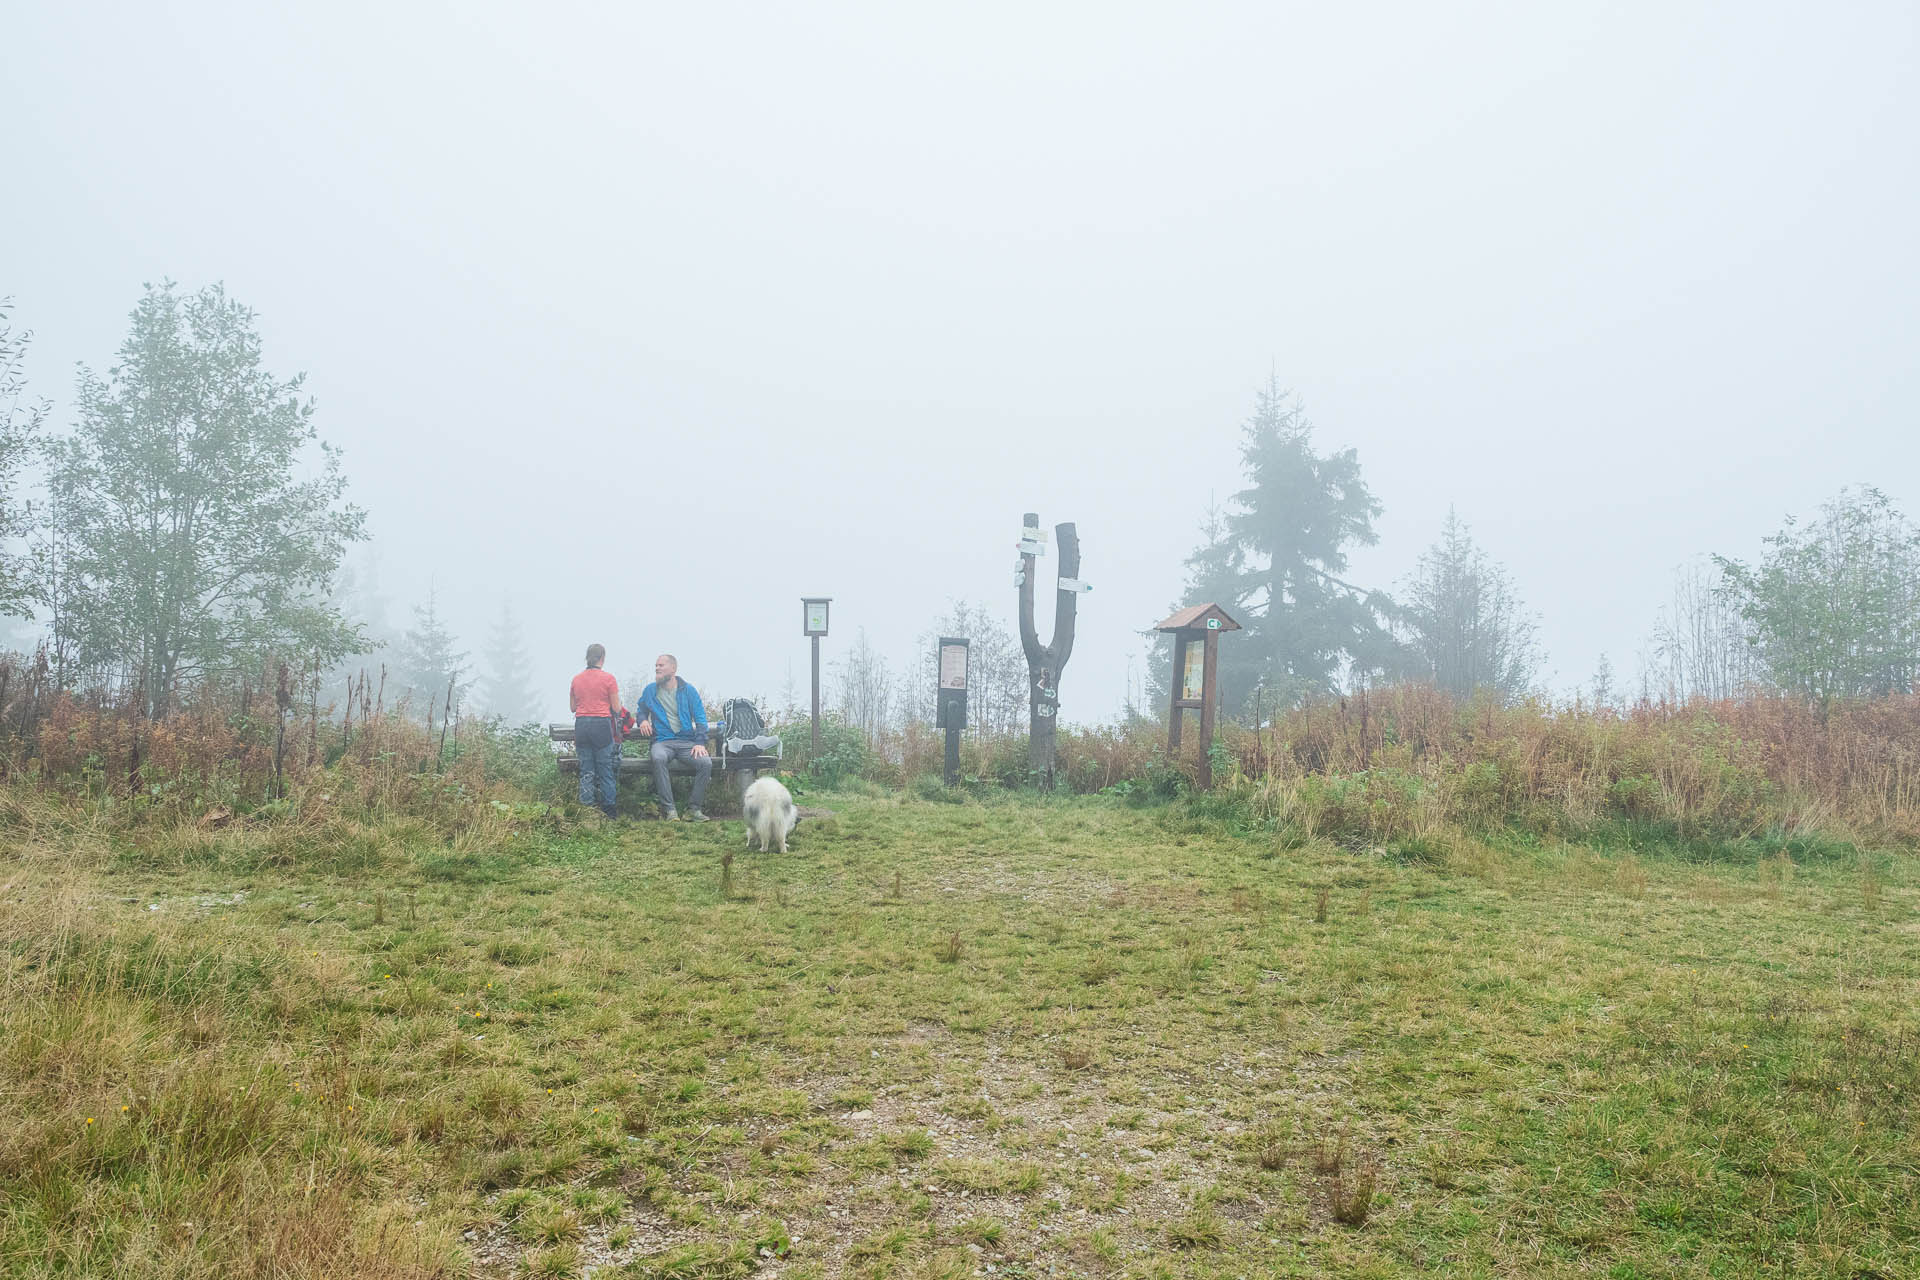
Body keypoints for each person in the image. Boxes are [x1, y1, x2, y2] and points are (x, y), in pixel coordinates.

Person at [635, 653, 711, 820]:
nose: (657, 668)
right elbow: (641, 710)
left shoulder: (688, 690)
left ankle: (693, 810)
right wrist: (642, 721)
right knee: (658, 757)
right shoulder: (650, 691)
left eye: (661, 665)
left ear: (673, 669)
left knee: (705, 763)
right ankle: (670, 811)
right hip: (662, 742)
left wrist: (699, 743)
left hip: (686, 742)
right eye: (656, 666)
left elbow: (700, 718)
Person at [568, 643, 625, 819]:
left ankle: (587, 811)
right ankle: (609, 811)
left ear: (587, 657)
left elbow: (572, 707)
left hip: (582, 726)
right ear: (603, 658)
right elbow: (616, 707)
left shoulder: (576, 679)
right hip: (601, 726)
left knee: (587, 770)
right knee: (605, 770)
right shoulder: (608, 679)